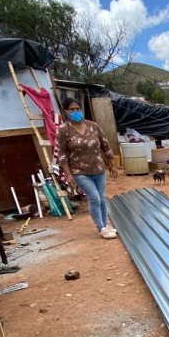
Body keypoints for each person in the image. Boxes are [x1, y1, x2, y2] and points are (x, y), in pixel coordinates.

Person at [55, 97, 119, 239]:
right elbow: (62, 155)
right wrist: (69, 175)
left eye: (78, 109)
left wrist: (112, 164)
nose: (76, 112)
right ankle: (101, 227)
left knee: (102, 198)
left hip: (98, 168)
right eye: (72, 110)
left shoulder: (93, 126)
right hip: (80, 171)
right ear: (66, 112)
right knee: (94, 198)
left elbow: (105, 145)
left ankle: (106, 224)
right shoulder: (63, 130)